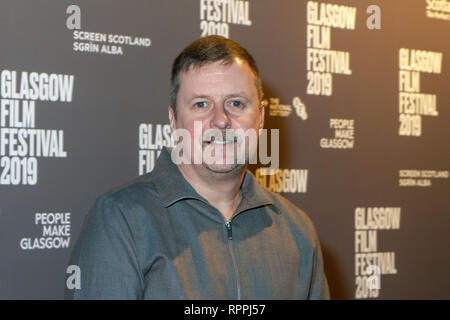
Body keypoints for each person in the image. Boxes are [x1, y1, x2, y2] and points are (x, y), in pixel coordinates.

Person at [65, 35, 330, 299]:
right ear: (174, 120)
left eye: (236, 103)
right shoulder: (121, 221)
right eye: (201, 104)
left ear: (260, 118)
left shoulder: (297, 230)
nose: (221, 120)